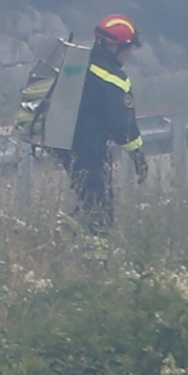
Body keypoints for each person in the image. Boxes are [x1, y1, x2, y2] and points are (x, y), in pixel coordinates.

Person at [66, 14, 145, 226]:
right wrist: (138, 155)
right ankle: (97, 257)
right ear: (116, 47)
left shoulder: (80, 64)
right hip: (90, 151)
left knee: (85, 200)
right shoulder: (113, 79)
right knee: (100, 210)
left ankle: (72, 237)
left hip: (65, 146)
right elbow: (123, 128)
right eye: (128, 48)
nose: (128, 54)